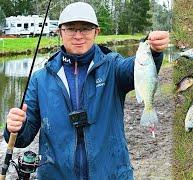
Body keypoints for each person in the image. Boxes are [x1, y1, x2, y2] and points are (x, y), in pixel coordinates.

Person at [3, 2, 169, 179]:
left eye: (85, 29)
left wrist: (153, 51)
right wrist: (15, 128)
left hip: (111, 174)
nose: (78, 35)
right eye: (71, 29)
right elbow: (23, 138)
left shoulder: (113, 66)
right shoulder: (40, 79)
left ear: (96, 32)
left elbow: (134, 68)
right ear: (60, 32)